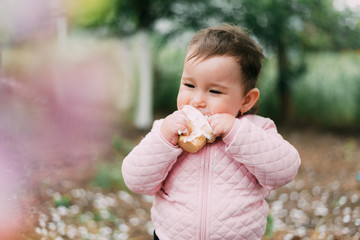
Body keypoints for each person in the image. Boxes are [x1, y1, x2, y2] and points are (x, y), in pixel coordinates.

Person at [122, 24, 301, 240]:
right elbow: (135, 180)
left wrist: (236, 132)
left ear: (246, 100)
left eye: (214, 91)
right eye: (189, 85)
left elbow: (285, 170)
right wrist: (163, 140)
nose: (197, 101)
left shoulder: (256, 129)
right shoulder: (167, 130)